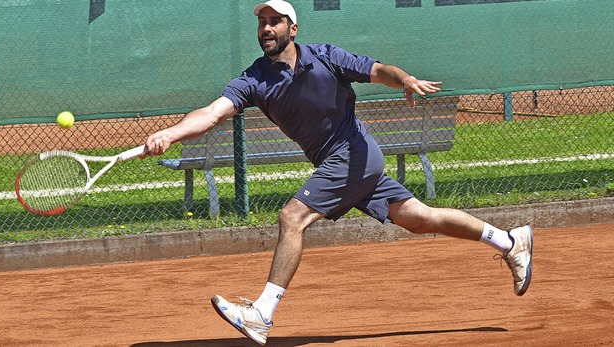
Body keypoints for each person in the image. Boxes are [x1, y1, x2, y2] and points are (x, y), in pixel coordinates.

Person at [144, 0, 533, 345]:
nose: (266, 28)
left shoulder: (326, 56)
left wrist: (406, 79)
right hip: (347, 164)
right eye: (261, 22)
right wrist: (170, 133)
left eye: (275, 21)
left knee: (292, 218)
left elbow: (380, 70)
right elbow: (212, 113)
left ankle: (261, 313)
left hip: (354, 153)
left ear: (292, 29)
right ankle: (509, 241)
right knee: (419, 218)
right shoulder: (254, 80)